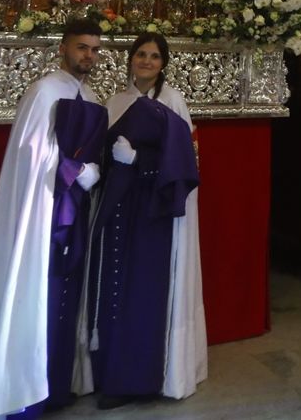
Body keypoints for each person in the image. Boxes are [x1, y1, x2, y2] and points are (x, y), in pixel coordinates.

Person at [0, 18, 108, 419]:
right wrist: (77, 171)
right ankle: (20, 392)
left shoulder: (91, 95)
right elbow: (30, 152)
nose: (87, 55)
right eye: (81, 47)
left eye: (94, 49)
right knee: (37, 287)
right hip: (44, 207)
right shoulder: (44, 92)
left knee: (65, 291)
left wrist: (92, 171)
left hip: (76, 207)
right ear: (63, 48)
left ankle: (55, 386)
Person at [77, 33, 202, 410]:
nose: (146, 61)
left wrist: (141, 163)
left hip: (154, 211)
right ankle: (106, 369)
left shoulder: (172, 101)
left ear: (163, 63)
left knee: (142, 291)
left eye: (154, 56)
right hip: (116, 205)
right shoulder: (115, 101)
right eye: (140, 54)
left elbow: (185, 163)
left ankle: (137, 377)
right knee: (112, 285)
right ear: (130, 59)